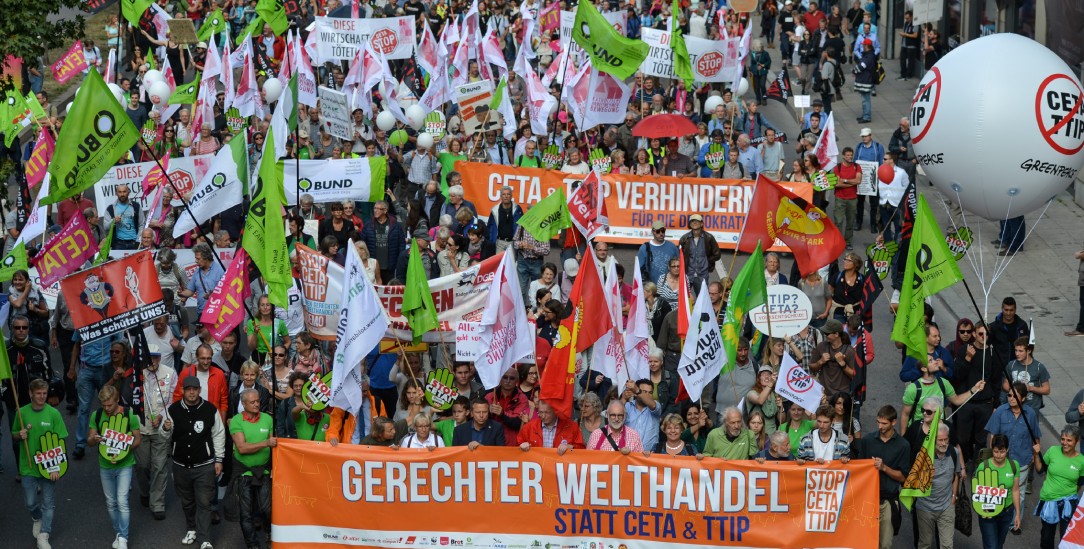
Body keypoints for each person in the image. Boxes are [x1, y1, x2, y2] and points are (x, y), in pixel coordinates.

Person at [165, 376, 226, 549]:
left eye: (195, 389)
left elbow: (219, 434)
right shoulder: (173, 410)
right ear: (183, 391)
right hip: (180, 466)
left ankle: (205, 538)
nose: (191, 392)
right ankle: (191, 528)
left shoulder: (210, 409)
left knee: (204, 502)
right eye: (188, 389)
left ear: (199, 390)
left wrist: (219, 459)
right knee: (187, 501)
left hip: (204, 466)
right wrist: (164, 429)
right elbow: (165, 438)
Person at [14, 378, 67, 549]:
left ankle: (44, 535)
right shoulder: (21, 413)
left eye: (44, 393)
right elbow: (14, 434)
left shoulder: (54, 414)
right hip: (28, 465)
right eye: (38, 393)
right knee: (30, 502)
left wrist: (56, 466)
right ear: (31, 394)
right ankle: (37, 517)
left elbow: (60, 442)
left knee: (49, 502)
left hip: (48, 467)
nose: (42, 397)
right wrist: (19, 434)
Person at [88, 385, 141, 549]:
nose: (107, 408)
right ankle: (118, 532)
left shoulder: (128, 414)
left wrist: (122, 450)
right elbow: (89, 440)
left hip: (125, 464)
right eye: (103, 405)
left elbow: (138, 439)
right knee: (111, 502)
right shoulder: (96, 415)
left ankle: (123, 538)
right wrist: (94, 440)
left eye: (109, 405)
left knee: (122, 500)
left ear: (117, 400)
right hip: (105, 465)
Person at [853, 405, 913, 549]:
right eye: (878, 422)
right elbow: (859, 468)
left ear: (893, 422)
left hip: (888, 500)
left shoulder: (903, 445)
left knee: (885, 544)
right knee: (866, 542)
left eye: (884, 423)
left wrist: (884, 468)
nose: (880, 426)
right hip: (867, 500)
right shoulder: (867, 440)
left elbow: (903, 477)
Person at [230, 388, 276, 549]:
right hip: (244, 471)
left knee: (267, 509)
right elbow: (242, 448)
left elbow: (274, 444)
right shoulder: (236, 421)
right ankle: (252, 544)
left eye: (258, 401)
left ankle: (270, 533)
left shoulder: (268, 419)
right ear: (243, 404)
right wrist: (265, 443)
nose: (257, 404)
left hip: (263, 470)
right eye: (253, 402)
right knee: (246, 512)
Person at [986, 382, 1042, 509]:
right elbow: (992, 437)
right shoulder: (1000, 412)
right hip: (1002, 461)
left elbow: (1036, 438)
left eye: (1014, 396)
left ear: (1023, 398)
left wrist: (1035, 456)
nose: (1011, 398)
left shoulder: (1031, 414)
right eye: (1009, 395)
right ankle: (999, 518)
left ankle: (1015, 523)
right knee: (999, 492)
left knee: (1020, 494)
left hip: (1022, 461)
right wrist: (993, 457)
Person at [70, 332, 125, 460]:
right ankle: (80, 444)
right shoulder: (82, 322)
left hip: (104, 369)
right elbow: (76, 345)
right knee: (83, 408)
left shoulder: (109, 322)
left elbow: (120, 344)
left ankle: (109, 441)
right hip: (86, 369)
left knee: (109, 406)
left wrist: (119, 365)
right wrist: (72, 368)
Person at [137, 344, 176, 521]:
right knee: (143, 465)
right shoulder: (137, 374)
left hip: (161, 428)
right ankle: (145, 491)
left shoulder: (170, 373)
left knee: (160, 466)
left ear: (160, 357)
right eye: (149, 357)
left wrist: (161, 415)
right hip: (141, 427)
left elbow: (173, 399)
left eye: (156, 357)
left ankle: (157, 503)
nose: (152, 361)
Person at [1032, 425, 1084, 549]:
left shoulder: (1082, 461)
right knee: (1046, 538)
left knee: (1066, 538)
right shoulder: (1052, 451)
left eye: (1069, 440)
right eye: (1063, 439)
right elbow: (1039, 470)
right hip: (1049, 500)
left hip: (1068, 503)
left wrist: (1067, 493)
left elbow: (1080, 483)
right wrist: (1036, 454)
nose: (1065, 443)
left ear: (1076, 441)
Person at [915, 422, 962, 549]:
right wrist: (926, 475)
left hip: (946, 506)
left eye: (945, 439)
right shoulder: (922, 456)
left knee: (947, 545)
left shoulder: (954, 452)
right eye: (940, 440)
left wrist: (954, 496)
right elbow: (913, 482)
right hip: (925, 507)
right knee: (925, 544)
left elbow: (956, 475)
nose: (943, 443)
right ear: (933, 440)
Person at [975, 434, 1022, 549]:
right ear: (992, 450)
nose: (999, 455)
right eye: (996, 452)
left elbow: (1015, 490)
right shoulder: (983, 466)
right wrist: (982, 509)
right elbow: (977, 493)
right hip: (988, 512)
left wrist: (1018, 514)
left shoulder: (1013, 465)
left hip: (1006, 512)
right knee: (991, 546)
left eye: (1002, 452)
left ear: (1007, 450)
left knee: (999, 545)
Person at [173, 344, 230, 421]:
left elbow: (224, 401)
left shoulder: (219, 374)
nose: (206, 362)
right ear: (197, 358)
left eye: (209, 358)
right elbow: (177, 396)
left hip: (212, 417)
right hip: (190, 417)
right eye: (203, 358)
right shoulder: (186, 373)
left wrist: (222, 422)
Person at [810, 319, 857, 396]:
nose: (825, 335)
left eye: (827, 333)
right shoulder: (821, 346)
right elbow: (811, 367)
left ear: (836, 334)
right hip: (823, 394)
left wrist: (843, 364)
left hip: (842, 395)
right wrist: (820, 362)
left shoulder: (849, 351)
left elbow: (854, 375)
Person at [1002, 337, 1050, 412]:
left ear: (1029, 351)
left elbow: (1047, 390)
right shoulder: (1011, 365)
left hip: (1031, 407)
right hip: (1014, 407)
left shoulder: (1039, 367)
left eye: (1021, 351)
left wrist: (1031, 388)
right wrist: (1013, 391)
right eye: (1016, 350)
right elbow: (1005, 383)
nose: (1017, 354)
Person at [518, 400, 584, 453]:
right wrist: (521, 446)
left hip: (560, 467)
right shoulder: (529, 427)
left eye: (547, 412)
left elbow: (582, 451)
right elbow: (515, 449)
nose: (543, 416)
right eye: (540, 412)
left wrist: (570, 447)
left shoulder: (571, 426)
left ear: (555, 411)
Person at [678, 213, 720, 295]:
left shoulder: (709, 238)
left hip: (702, 275)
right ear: (689, 224)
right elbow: (680, 256)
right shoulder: (684, 239)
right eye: (692, 221)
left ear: (702, 224)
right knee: (684, 298)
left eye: (697, 221)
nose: (694, 223)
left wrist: (707, 262)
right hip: (687, 274)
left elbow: (717, 254)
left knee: (702, 299)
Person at [832, 147, 861, 249]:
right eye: (848, 155)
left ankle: (848, 242)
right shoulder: (838, 167)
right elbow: (837, 184)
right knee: (838, 221)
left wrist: (844, 180)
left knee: (850, 221)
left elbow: (858, 181)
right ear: (843, 156)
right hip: (840, 198)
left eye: (851, 155)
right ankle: (838, 241)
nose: (850, 157)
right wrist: (850, 182)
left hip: (852, 198)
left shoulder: (857, 166)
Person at [622, 378, 662, 451]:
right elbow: (616, 416)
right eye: (644, 392)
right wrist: (624, 399)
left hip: (650, 456)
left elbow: (653, 406)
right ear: (635, 394)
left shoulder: (656, 405)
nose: (647, 395)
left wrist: (637, 390)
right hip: (629, 456)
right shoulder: (627, 406)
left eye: (650, 392)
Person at [854, 39, 877, 123]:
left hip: (865, 81)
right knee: (865, 99)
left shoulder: (868, 57)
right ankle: (865, 115)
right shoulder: (870, 55)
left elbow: (861, 67)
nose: (862, 46)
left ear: (867, 46)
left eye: (863, 45)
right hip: (866, 80)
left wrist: (854, 70)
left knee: (865, 100)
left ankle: (866, 117)